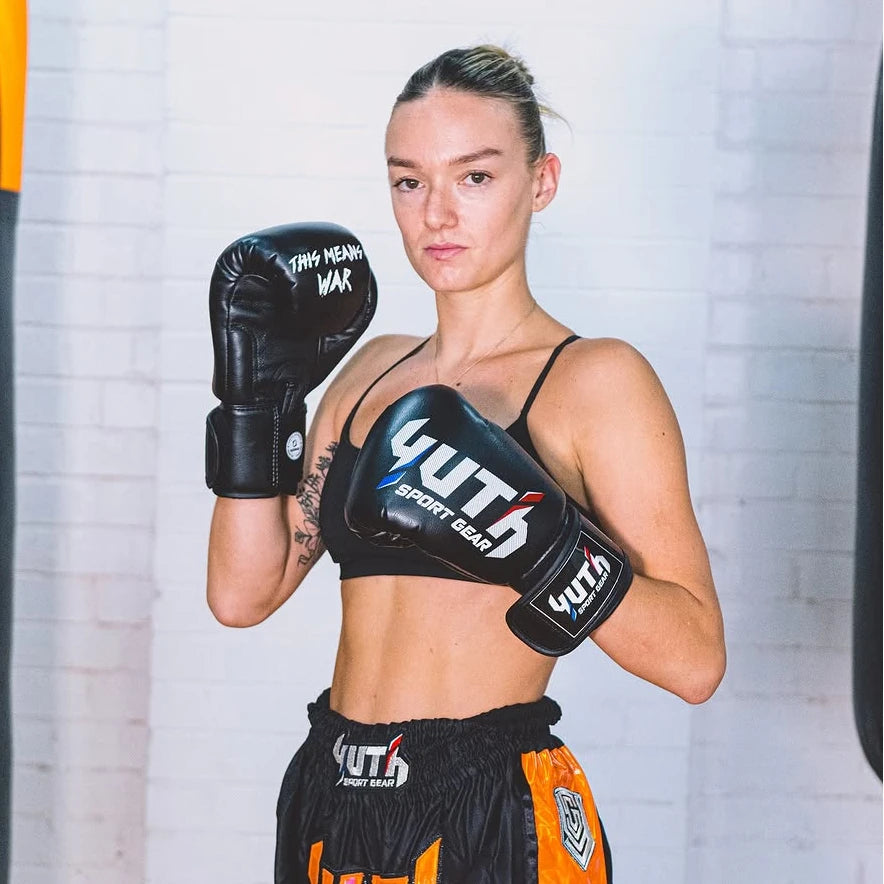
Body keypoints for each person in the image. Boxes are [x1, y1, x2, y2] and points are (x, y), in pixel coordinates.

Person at [205, 44, 726, 884]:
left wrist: (544, 547)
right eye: (409, 181)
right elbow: (241, 593)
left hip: (488, 798)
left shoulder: (596, 382)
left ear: (541, 181)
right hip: (331, 792)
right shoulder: (373, 370)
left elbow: (696, 660)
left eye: (474, 177)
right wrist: (254, 409)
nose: (437, 214)